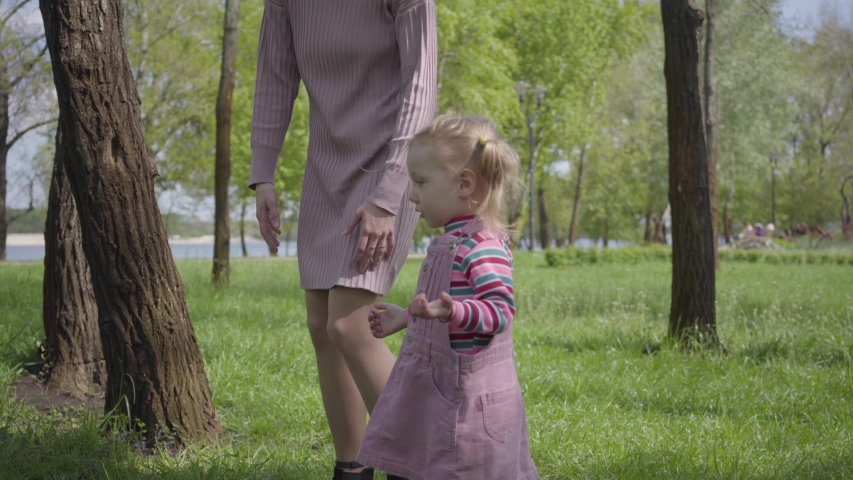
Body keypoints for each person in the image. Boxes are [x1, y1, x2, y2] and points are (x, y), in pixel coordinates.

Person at [249, 1, 437, 479]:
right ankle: (351, 469)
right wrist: (263, 174)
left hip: (388, 167)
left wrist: (390, 194)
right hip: (324, 168)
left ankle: (425, 465)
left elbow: (421, 90)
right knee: (322, 328)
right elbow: (274, 76)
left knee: (351, 327)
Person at [356, 113, 539, 480]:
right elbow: (440, 307)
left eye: (421, 181)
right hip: (433, 393)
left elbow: (500, 311)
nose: (412, 194)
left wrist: (455, 311)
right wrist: (407, 317)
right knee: (419, 459)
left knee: (457, 466)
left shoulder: (482, 247)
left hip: (464, 401)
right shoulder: (452, 240)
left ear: (464, 184)